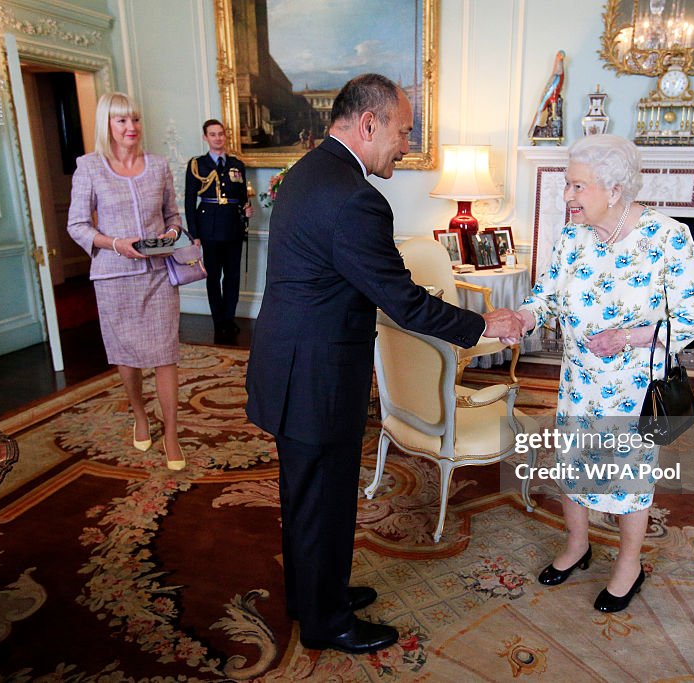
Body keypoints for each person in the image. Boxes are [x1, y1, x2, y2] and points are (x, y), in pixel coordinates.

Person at [245, 74, 522, 655]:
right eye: (403, 130)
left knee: (306, 495)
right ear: (369, 124)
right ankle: (326, 623)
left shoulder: (309, 170)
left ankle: (314, 595)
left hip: (291, 361)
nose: (405, 141)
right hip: (317, 375)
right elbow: (401, 298)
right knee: (323, 497)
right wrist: (481, 325)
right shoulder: (353, 196)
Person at [513, 135, 694, 612]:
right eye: (567, 185)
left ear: (615, 189)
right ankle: (578, 545)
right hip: (577, 381)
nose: (568, 197)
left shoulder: (668, 237)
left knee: (627, 478)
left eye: (578, 186)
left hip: (634, 386)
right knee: (573, 465)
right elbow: (546, 296)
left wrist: (628, 337)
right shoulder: (572, 237)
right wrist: (524, 317)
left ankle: (629, 563)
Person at [67, 92, 188, 471]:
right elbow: (77, 225)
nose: (131, 127)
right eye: (121, 120)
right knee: (127, 356)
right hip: (113, 276)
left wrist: (171, 233)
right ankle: (139, 413)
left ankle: (171, 433)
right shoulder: (89, 167)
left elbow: (173, 216)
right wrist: (116, 243)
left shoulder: (158, 165)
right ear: (107, 125)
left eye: (134, 119)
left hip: (158, 275)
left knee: (166, 355)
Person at [184, 119, 253, 342]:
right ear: (205, 137)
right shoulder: (198, 165)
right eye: (213, 134)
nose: (218, 138)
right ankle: (218, 320)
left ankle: (229, 318)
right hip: (209, 228)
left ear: (226, 136)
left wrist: (246, 210)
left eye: (221, 134)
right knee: (213, 276)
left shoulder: (236, 164)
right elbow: (189, 201)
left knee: (232, 275)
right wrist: (194, 234)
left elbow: (242, 196)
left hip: (233, 225)